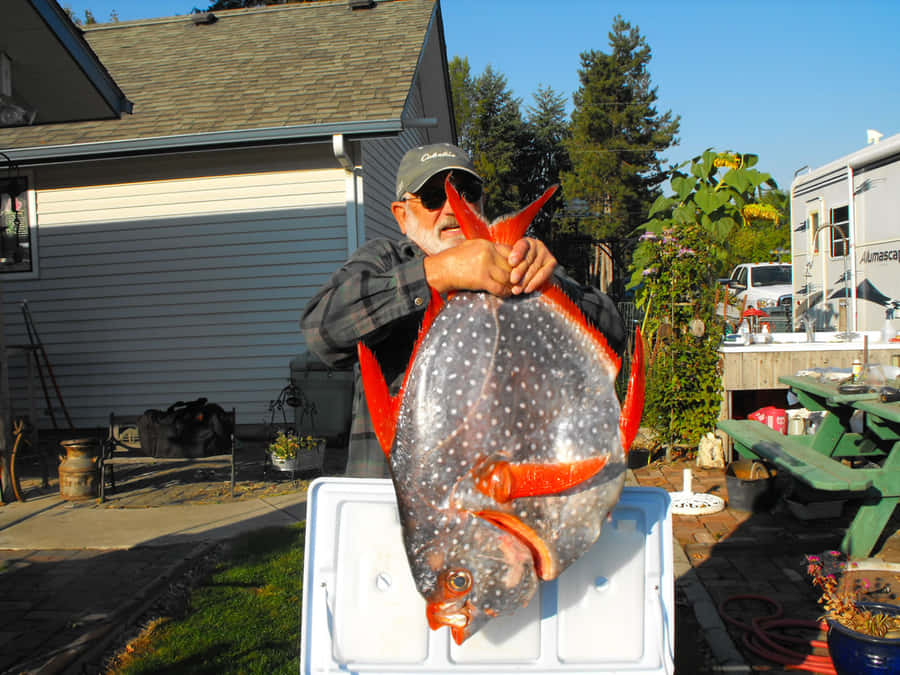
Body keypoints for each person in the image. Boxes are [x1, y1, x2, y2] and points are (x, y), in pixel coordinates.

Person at [301, 143, 625, 477]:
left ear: (481, 202)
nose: (453, 209)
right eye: (432, 197)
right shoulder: (384, 260)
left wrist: (551, 288)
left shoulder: (516, 264)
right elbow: (321, 329)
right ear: (401, 214)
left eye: (465, 192)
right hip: (394, 502)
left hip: (500, 497)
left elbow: (612, 334)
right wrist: (436, 273)